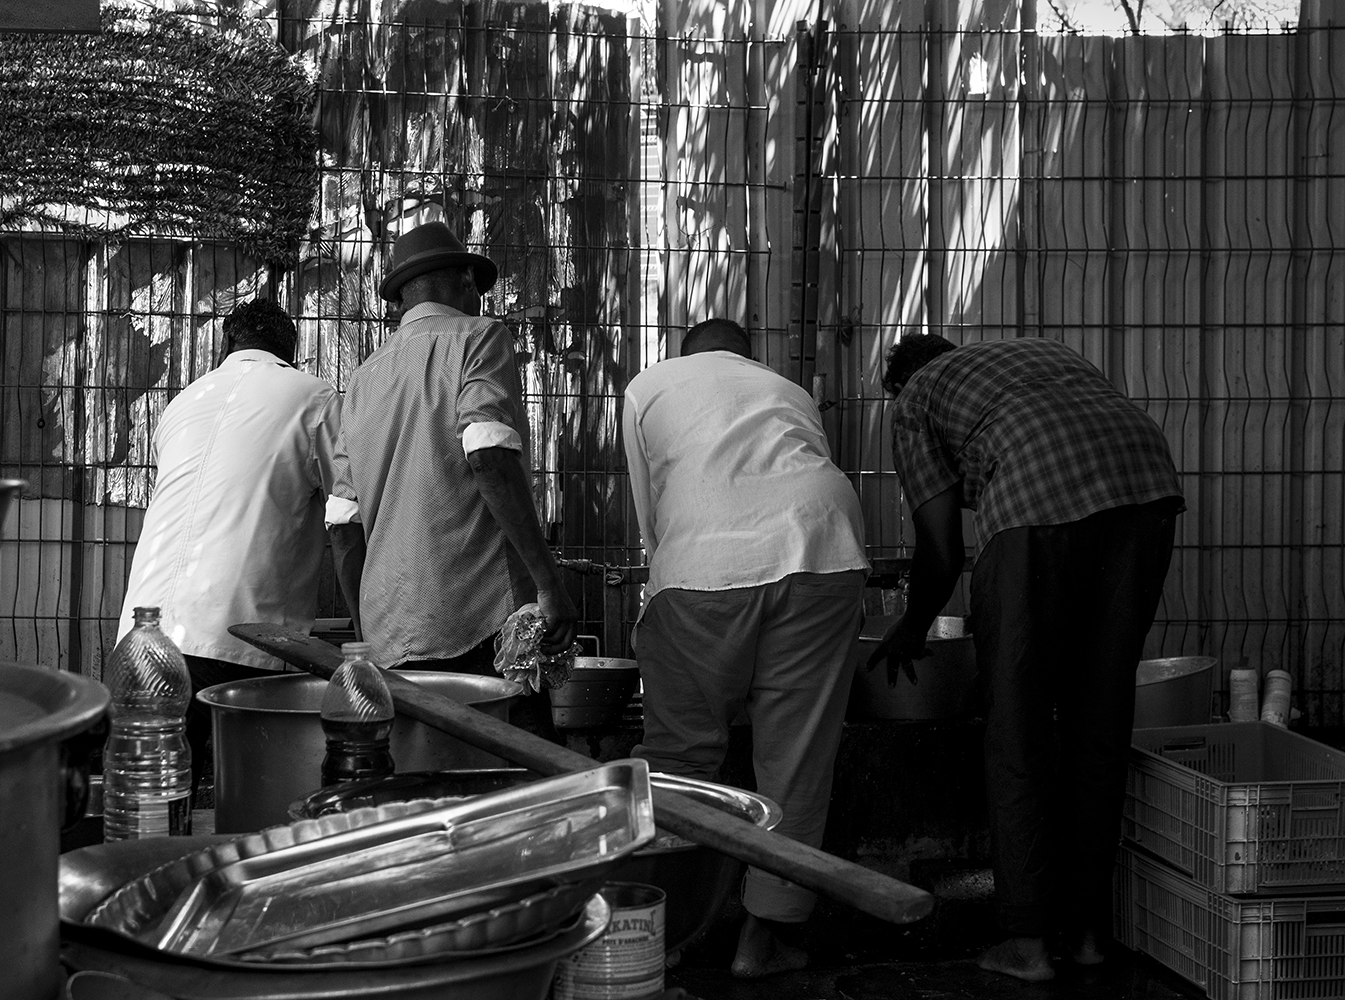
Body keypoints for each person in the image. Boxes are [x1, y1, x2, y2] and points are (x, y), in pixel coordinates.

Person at [868, 333, 1184, 982]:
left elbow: (940, 550)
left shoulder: (915, 402)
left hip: (1041, 500)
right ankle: (1092, 935)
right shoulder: (1032, 356)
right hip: (1148, 482)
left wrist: (913, 626)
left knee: (1019, 728)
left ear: (901, 384)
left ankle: (1028, 942)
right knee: (1099, 723)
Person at [621, 318, 873, 979]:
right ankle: (761, 944)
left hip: (704, 559)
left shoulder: (648, 386)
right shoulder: (787, 388)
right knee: (796, 757)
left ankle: (663, 938)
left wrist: (664, 596)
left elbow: (651, 517)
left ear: (686, 357)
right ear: (745, 358)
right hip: (824, 542)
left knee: (680, 755)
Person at [330, 221, 576, 729]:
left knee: (421, 788)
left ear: (400, 299)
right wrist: (548, 583)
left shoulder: (360, 381)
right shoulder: (479, 338)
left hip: (389, 635)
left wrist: (366, 631)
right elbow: (487, 453)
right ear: (466, 279)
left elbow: (342, 522)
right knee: (509, 787)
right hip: (479, 620)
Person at [118, 298, 350, 782]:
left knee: (149, 796)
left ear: (226, 344)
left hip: (140, 636)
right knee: (246, 796)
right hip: (235, 636)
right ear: (292, 350)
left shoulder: (183, 400)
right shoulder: (315, 398)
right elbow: (347, 510)